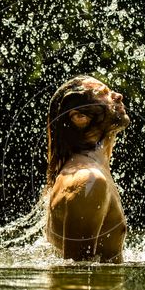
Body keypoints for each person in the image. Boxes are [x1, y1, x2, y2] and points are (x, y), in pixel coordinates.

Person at [45, 76, 129, 262]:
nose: (118, 95)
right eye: (102, 94)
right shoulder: (89, 180)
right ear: (79, 117)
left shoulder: (86, 173)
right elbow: (76, 276)